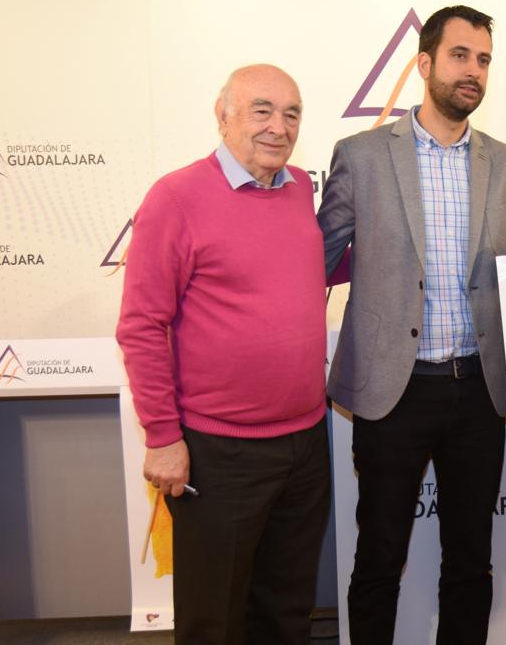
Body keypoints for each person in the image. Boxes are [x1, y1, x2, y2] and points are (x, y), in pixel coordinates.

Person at [317, 5, 506, 645]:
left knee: (471, 557)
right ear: (424, 64)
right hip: (394, 387)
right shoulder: (360, 155)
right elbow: (317, 259)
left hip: (479, 386)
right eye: (459, 56)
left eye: (483, 60)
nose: (473, 71)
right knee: (380, 554)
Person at [117, 64, 330, 644]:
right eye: (261, 109)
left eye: (292, 113)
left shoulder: (300, 189)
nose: (278, 126)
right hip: (219, 453)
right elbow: (141, 324)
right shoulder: (177, 197)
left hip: (306, 444)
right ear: (223, 115)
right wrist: (162, 436)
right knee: (214, 619)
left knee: (287, 613)